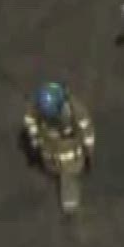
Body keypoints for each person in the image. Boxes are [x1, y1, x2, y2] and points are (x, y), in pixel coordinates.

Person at [21, 81, 96, 216]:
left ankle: (70, 207)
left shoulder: (76, 111)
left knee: (68, 178)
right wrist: (35, 144)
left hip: (70, 158)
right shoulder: (37, 109)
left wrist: (88, 152)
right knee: (53, 172)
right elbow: (31, 124)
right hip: (49, 153)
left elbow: (87, 132)